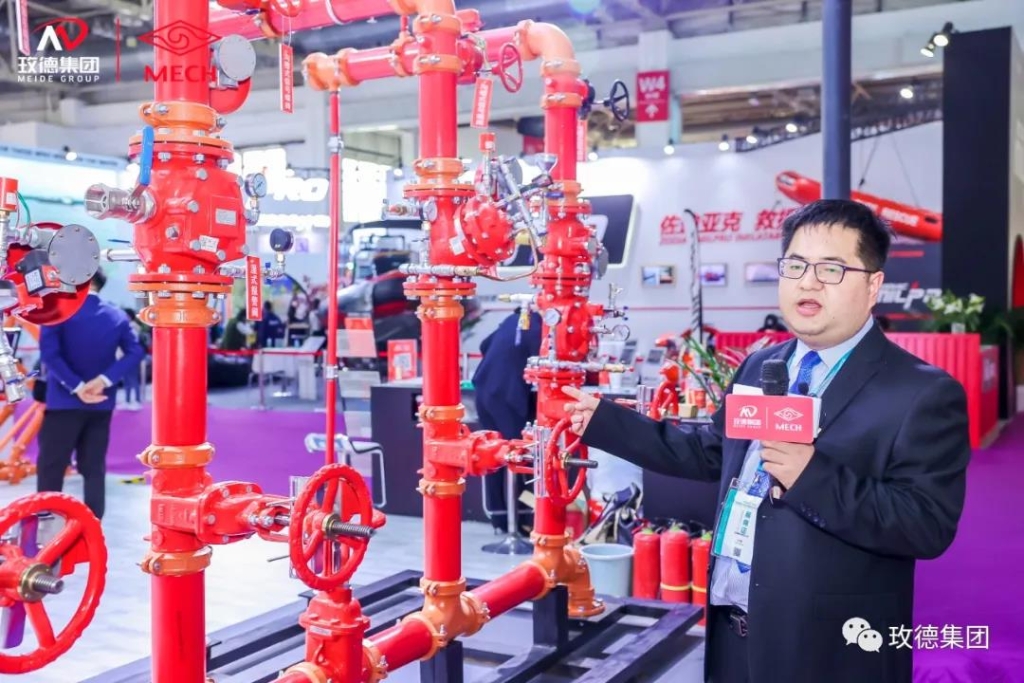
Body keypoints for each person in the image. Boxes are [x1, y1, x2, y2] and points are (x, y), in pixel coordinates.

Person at [563, 200, 970, 683]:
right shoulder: (762, 366)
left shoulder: (921, 393)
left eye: (831, 269)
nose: (808, 282)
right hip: (733, 631)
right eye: (795, 265)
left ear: (873, 285)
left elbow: (925, 526)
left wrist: (811, 476)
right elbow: (712, 452)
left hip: (830, 654)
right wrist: (603, 422)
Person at [36, 268, 145, 520]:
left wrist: (77, 386)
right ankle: (93, 526)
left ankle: (46, 522)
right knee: (94, 468)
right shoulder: (116, 315)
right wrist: (104, 380)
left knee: (52, 466)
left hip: (63, 402)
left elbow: (50, 355)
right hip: (101, 403)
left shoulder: (58, 311)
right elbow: (135, 351)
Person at [472, 308, 542, 533]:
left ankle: (499, 518)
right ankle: (523, 521)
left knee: (492, 454)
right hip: (507, 397)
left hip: (483, 390)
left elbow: (484, 344)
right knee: (519, 456)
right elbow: (542, 364)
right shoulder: (539, 327)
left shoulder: (513, 319)